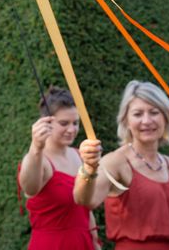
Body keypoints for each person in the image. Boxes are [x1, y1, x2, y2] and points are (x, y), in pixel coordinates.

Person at [75, 80, 169, 250]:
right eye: (138, 114)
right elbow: (85, 200)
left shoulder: (168, 164)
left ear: (166, 117)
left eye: (154, 112)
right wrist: (89, 168)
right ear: (126, 120)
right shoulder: (116, 161)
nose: (146, 120)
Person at [18, 86, 101, 250]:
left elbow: (86, 209)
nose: (72, 130)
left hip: (83, 242)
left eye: (75, 123)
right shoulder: (39, 159)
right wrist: (36, 147)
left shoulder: (80, 155)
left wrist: (95, 241)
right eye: (64, 123)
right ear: (46, 122)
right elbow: (29, 187)